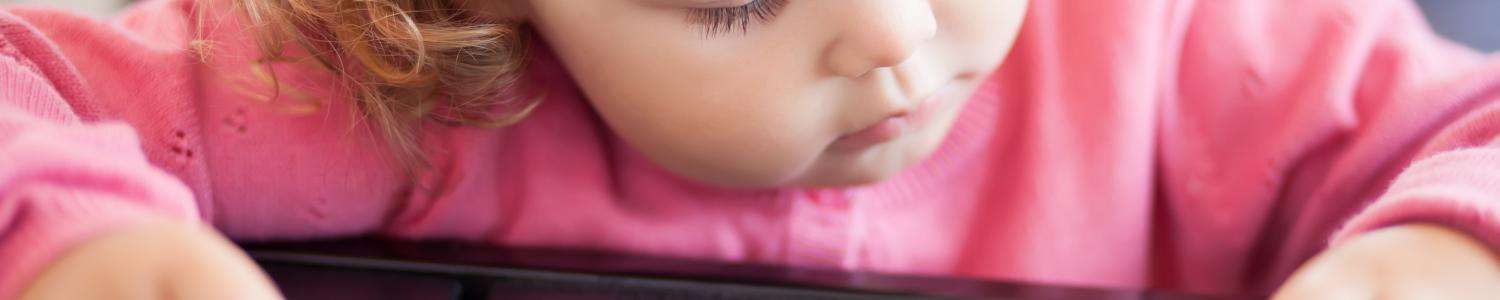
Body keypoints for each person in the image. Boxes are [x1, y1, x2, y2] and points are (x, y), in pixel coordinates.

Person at [3, 0, 1500, 298]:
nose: (894, 37)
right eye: (732, 2)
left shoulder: (1177, 48)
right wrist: (86, 244)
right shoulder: (412, 85)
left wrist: (1420, 264)